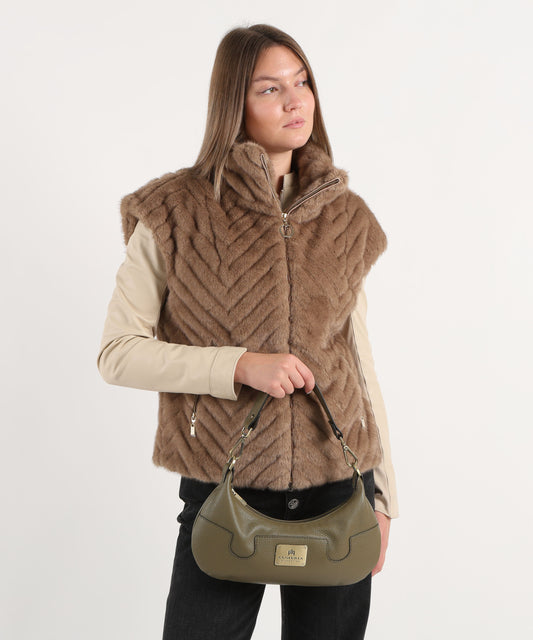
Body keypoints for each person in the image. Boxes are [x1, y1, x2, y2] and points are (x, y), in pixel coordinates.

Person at [97, 23, 398, 640]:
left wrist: (383, 495)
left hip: (339, 488)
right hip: (225, 492)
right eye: (269, 88)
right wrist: (237, 364)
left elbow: (359, 362)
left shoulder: (345, 217)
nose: (295, 101)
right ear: (233, 102)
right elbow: (118, 353)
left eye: (302, 82)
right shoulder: (174, 212)